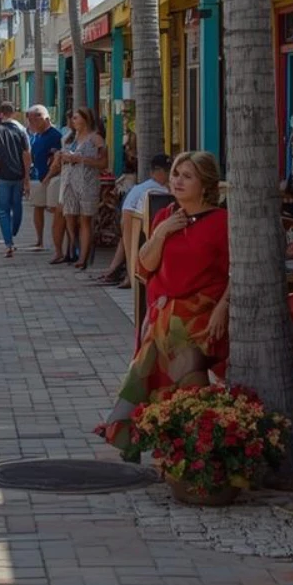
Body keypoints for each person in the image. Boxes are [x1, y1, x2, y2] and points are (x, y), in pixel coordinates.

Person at [94, 152, 230, 450]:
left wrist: (223, 306)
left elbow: (237, 271)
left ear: (205, 184)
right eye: (176, 174)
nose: (177, 181)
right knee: (165, 337)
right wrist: (161, 233)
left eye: (187, 176)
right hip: (165, 314)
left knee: (176, 349)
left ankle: (182, 436)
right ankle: (172, 436)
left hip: (202, 314)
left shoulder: (222, 222)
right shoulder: (165, 216)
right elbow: (144, 266)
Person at [96, 153, 172, 286]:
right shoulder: (156, 190)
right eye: (168, 172)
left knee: (128, 244)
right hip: (138, 222)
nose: (169, 175)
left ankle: (119, 272)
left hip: (132, 219)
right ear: (157, 171)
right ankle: (126, 274)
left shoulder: (143, 187)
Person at [51, 108, 106, 270]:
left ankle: (83, 257)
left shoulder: (95, 138)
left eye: (76, 118)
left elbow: (103, 163)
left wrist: (81, 159)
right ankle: (73, 248)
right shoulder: (71, 138)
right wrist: (61, 157)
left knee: (85, 220)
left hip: (87, 183)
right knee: (70, 217)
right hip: (69, 182)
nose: (72, 121)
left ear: (85, 119)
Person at [0, 107, 30, 258]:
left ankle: (8, 243)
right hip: (18, 175)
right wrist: (27, 176)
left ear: (1, 114)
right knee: (17, 205)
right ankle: (14, 230)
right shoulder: (21, 131)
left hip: (1, 176)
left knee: (3, 211)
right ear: (13, 113)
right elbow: (26, 154)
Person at [25, 106, 63, 251]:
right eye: (30, 120)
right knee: (38, 206)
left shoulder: (56, 135)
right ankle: (39, 240)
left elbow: (56, 159)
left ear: (44, 118)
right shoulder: (36, 136)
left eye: (34, 119)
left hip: (52, 178)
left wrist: (49, 176)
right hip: (38, 177)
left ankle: (58, 243)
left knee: (54, 209)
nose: (31, 123)